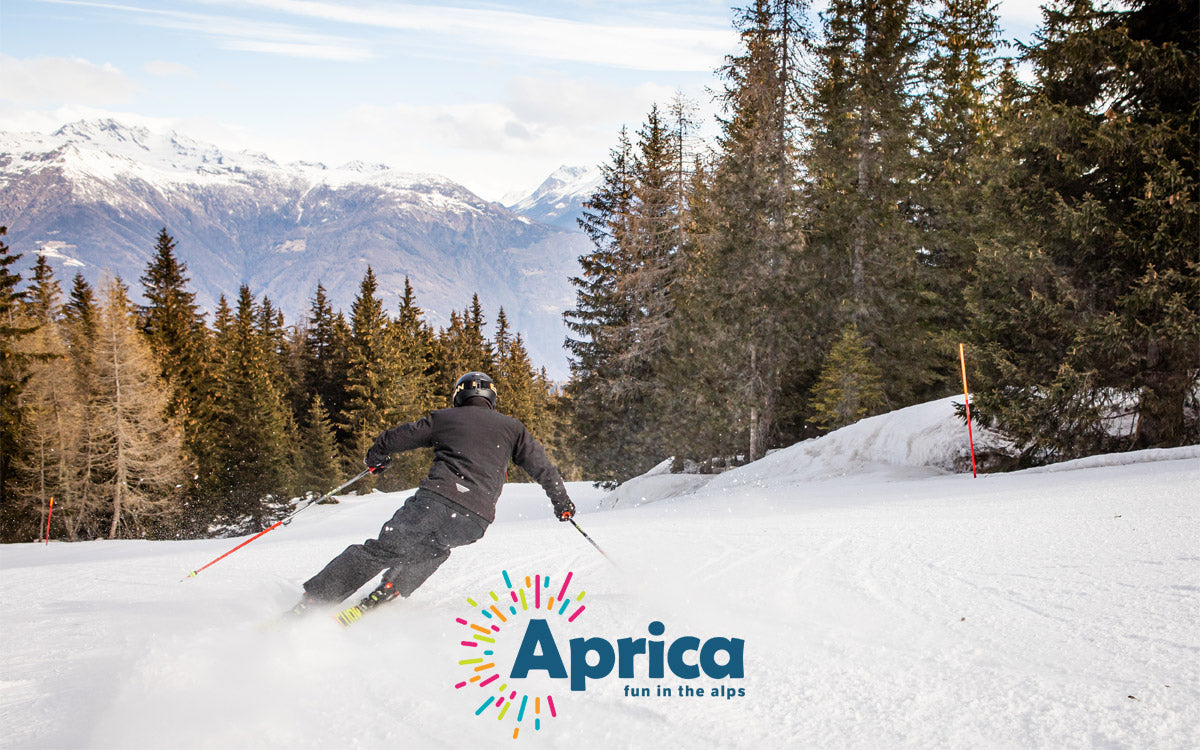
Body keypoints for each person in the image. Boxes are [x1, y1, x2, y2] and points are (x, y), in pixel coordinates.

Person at [289, 372, 575, 619]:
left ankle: (317, 599)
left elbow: (395, 437)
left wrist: (377, 457)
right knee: (436, 547)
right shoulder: (513, 428)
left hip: (435, 501)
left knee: (383, 549)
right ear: (491, 397)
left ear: (459, 396)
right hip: (474, 519)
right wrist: (562, 503)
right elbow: (544, 469)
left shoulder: (445, 418)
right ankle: (390, 589)